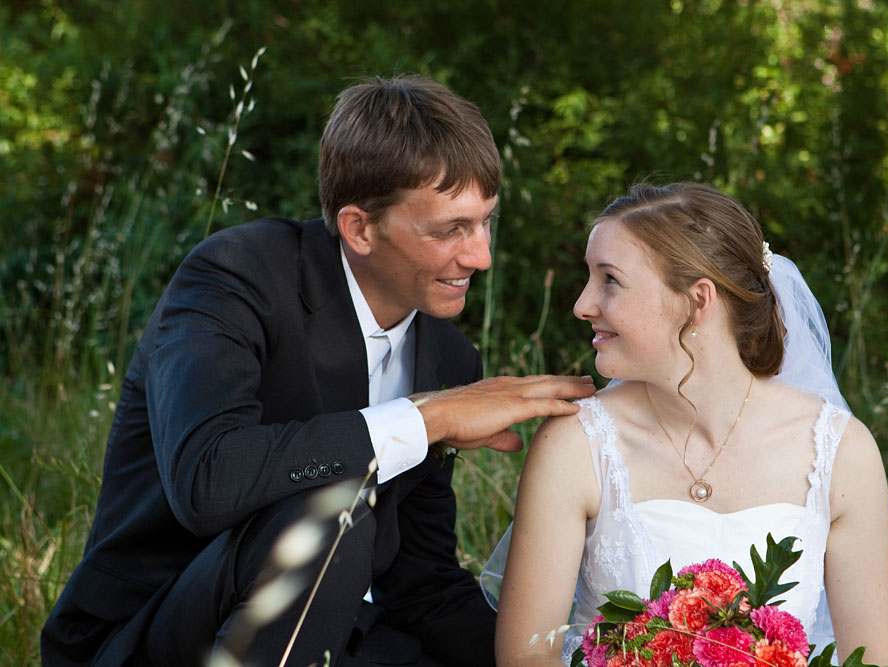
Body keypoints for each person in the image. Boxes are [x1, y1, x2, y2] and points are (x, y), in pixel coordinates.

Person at [41, 74, 595, 667]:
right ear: (359, 227)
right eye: (449, 230)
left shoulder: (451, 357)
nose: (479, 255)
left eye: (486, 221)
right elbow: (205, 480)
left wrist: (564, 659)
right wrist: (424, 417)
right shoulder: (236, 275)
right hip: (158, 630)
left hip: (339, 633)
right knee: (332, 510)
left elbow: (420, 584)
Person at [493, 182, 888, 666]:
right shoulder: (574, 444)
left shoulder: (839, 451)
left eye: (610, 280)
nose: (582, 305)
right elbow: (526, 658)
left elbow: (873, 660)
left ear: (697, 301)